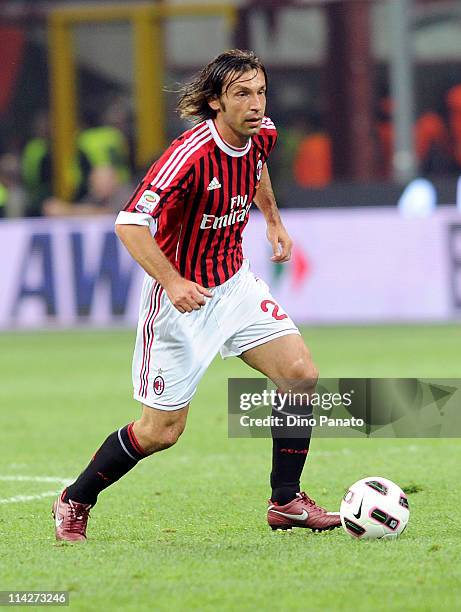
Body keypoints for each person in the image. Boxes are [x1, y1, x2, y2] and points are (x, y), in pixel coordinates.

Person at [52, 49, 341, 542]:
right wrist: (172, 282)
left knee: (299, 374)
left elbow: (258, 167)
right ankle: (75, 499)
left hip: (235, 286)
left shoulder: (262, 133)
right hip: (180, 302)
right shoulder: (189, 155)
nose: (255, 104)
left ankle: (286, 500)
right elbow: (129, 223)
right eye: (242, 94)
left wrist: (271, 219)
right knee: (160, 432)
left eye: (260, 92)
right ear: (215, 102)